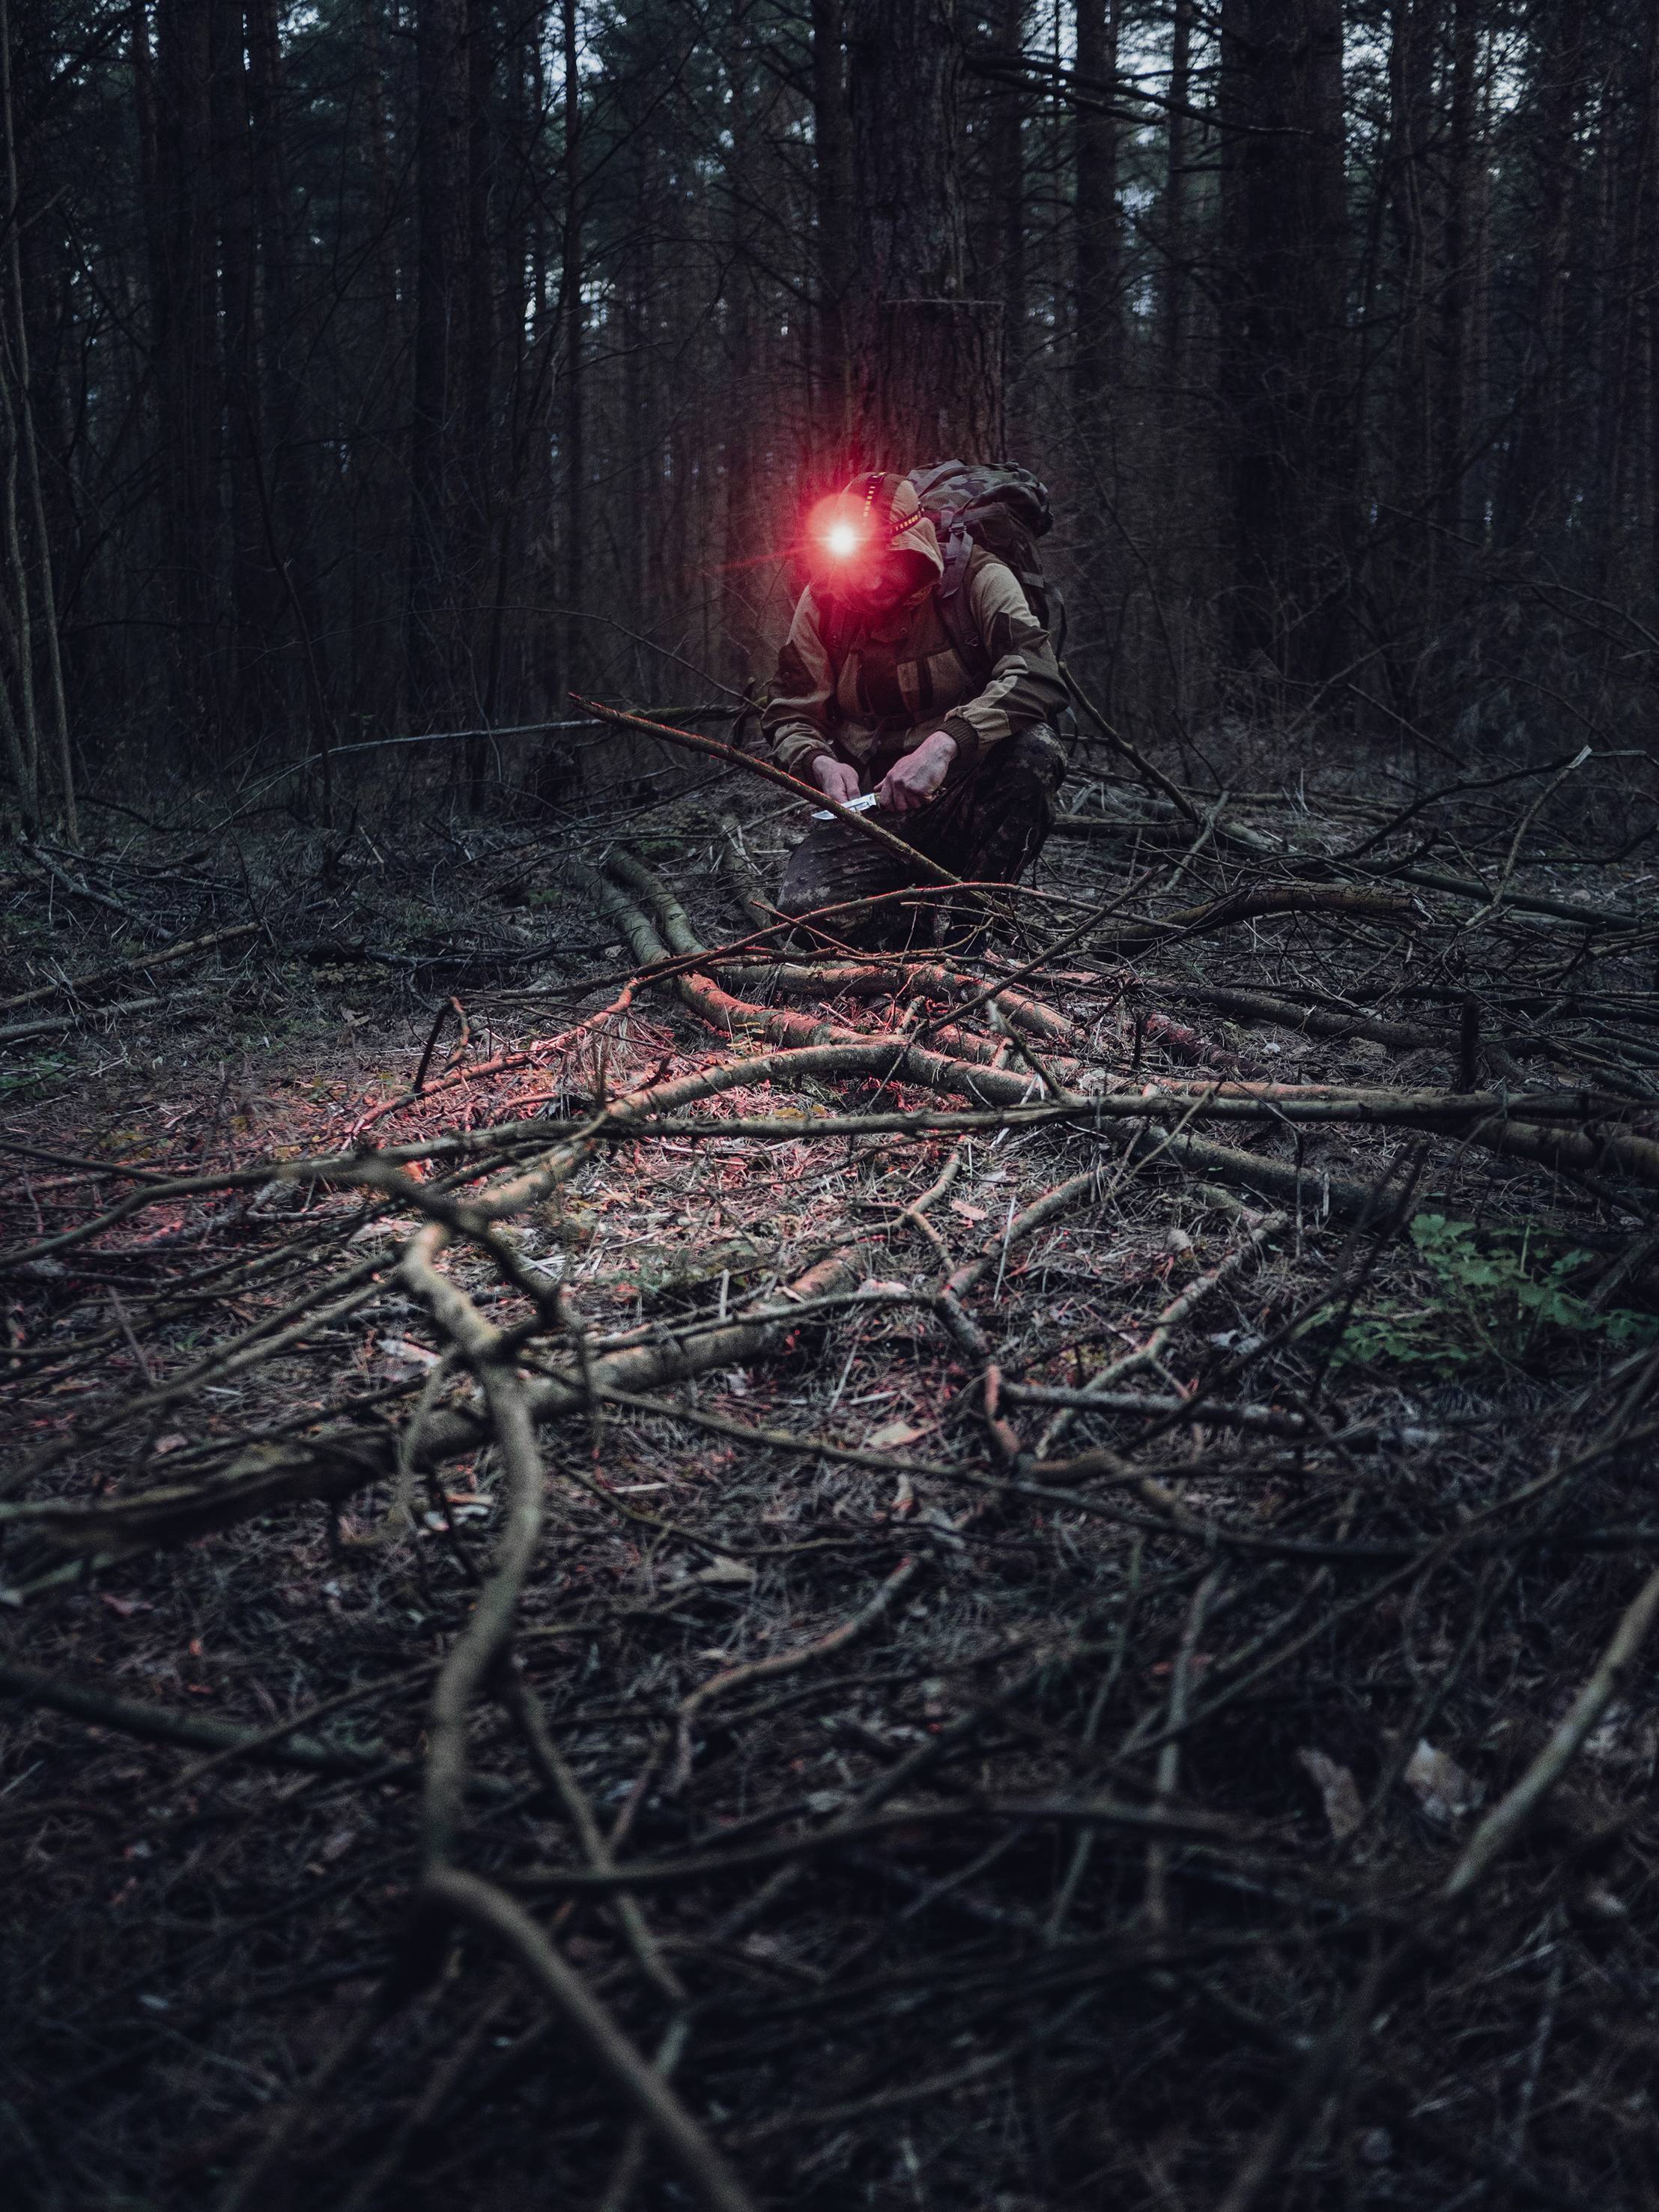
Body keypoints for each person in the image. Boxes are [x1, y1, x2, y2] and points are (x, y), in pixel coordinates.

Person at [761, 470, 1069, 944]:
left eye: (890, 560)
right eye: (859, 566)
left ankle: (977, 928)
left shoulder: (979, 578)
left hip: (965, 791)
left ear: (918, 543)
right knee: (811, 923)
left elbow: (1038, 676)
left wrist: (946, 745)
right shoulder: (823, 604)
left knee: (1036, 751)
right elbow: (789, 711)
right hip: (874, 808)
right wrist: (820, 763)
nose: (872, 581)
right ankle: (906, 916)